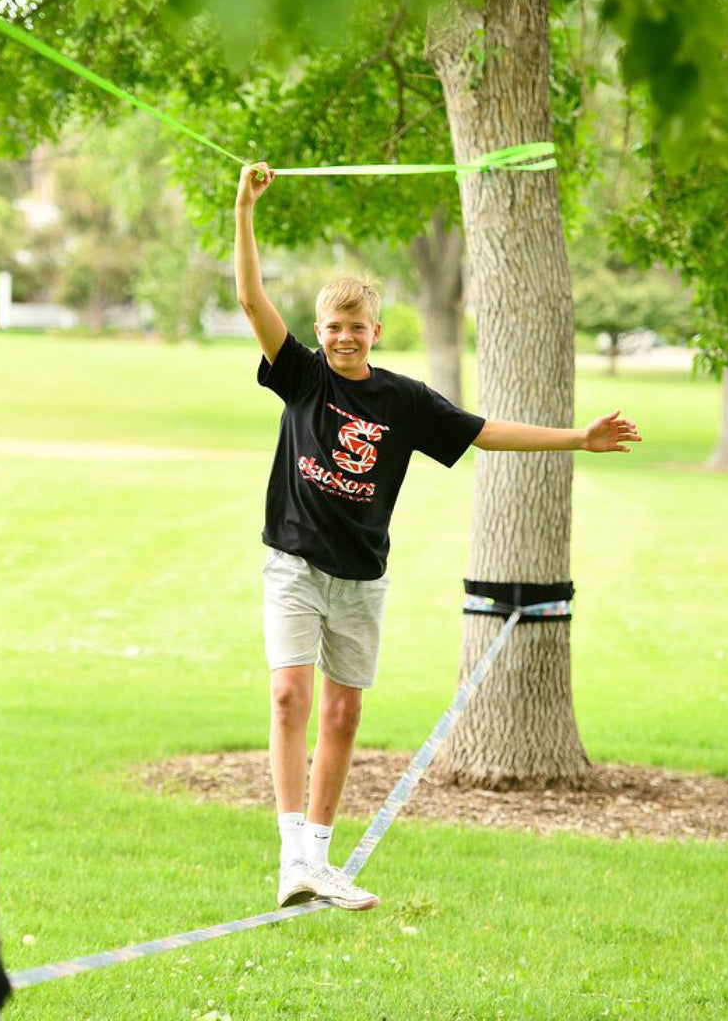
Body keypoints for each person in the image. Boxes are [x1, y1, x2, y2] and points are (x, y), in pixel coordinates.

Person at [234, 161, 642, 911]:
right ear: (320, 335)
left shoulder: (403, 399)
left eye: (358, 328)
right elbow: (250, 297)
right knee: (291, 696)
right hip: (293, 565)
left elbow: (484, 433)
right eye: (333, 329)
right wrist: (244, 209)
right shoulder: (301, 377)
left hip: (360, 576)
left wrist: (577, 438)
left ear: (377, 332)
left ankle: (320, 861)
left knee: (344, 712)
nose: (345, 338)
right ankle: (292, 855)